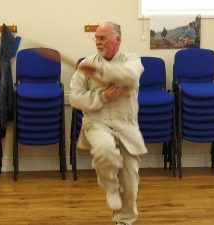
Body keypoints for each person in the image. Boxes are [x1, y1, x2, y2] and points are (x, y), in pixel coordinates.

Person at [69, 22, 147, 225]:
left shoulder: (132, 61)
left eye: (103, 37)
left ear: (117, 40)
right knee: (105, 150)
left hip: (126, 125)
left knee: (130, 179)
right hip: (97, 123)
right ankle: (110, 185)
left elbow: (129, 75)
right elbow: (75, 98)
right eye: (96, 38)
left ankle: (124, 220)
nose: (98, 42)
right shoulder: (86, 64)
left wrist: (99, 72)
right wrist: (102, 96)